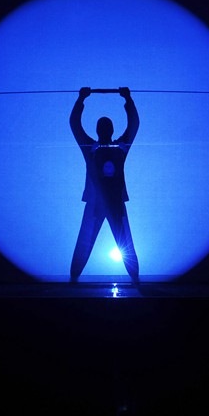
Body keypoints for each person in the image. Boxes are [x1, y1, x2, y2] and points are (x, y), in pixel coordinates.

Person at [69, 86, 140, 284]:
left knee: (124, 243)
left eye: (105, 127)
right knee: (86, 243)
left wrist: (128, 99)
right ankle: (73, 279)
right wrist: (81, 99)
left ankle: (136, 280)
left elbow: (134, 124)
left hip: (113, 203)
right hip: (98, 204)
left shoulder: (117, 148)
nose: (105, 130)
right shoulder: (94, 148)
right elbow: (75, 124)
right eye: (104, 127)